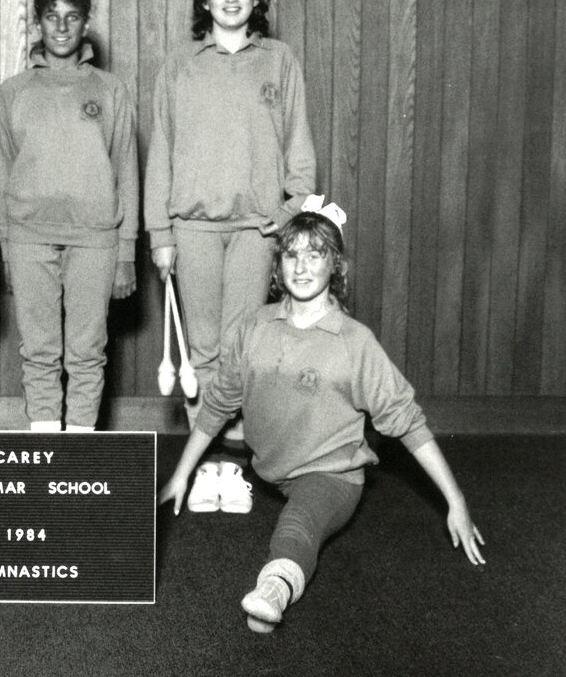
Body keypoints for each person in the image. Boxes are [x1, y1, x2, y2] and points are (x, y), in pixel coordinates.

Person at [158, 202, 486, 633]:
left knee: (299, 522)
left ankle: (273, 587)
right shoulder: (255, 327)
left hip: (333, 472)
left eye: (316, 254)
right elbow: (218, 404)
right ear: (277, 266)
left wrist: (456, 500)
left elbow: (408, 422)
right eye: (292, 254)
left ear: (336, 265)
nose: (302, 266)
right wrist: (183, 472)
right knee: (290, 501)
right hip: (274, 468)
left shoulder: (354, 342)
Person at [144, 0, 317, 509]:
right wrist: (161, 235)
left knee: (243, 347)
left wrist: (290, 213)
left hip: (254, 231)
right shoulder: (180, 65)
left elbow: (299, 146)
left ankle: (229, 466)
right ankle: (206, 461)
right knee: (204, 350)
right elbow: (161, 155)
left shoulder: (279, 60)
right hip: (191, 227)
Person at [0, 0, 138, 432]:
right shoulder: (12, 92)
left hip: (96, 239)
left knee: (87, 351)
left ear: (85, 23)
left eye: (71, 17)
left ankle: (77, 452)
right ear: (37, 23)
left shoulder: (110, 90)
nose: (60, 27)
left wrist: (126, 249)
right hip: (29, 237)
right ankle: (47, 452)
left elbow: (126, 171)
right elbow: (0, 175)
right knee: (38, 351)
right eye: (51, 17)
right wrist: (6, 245)